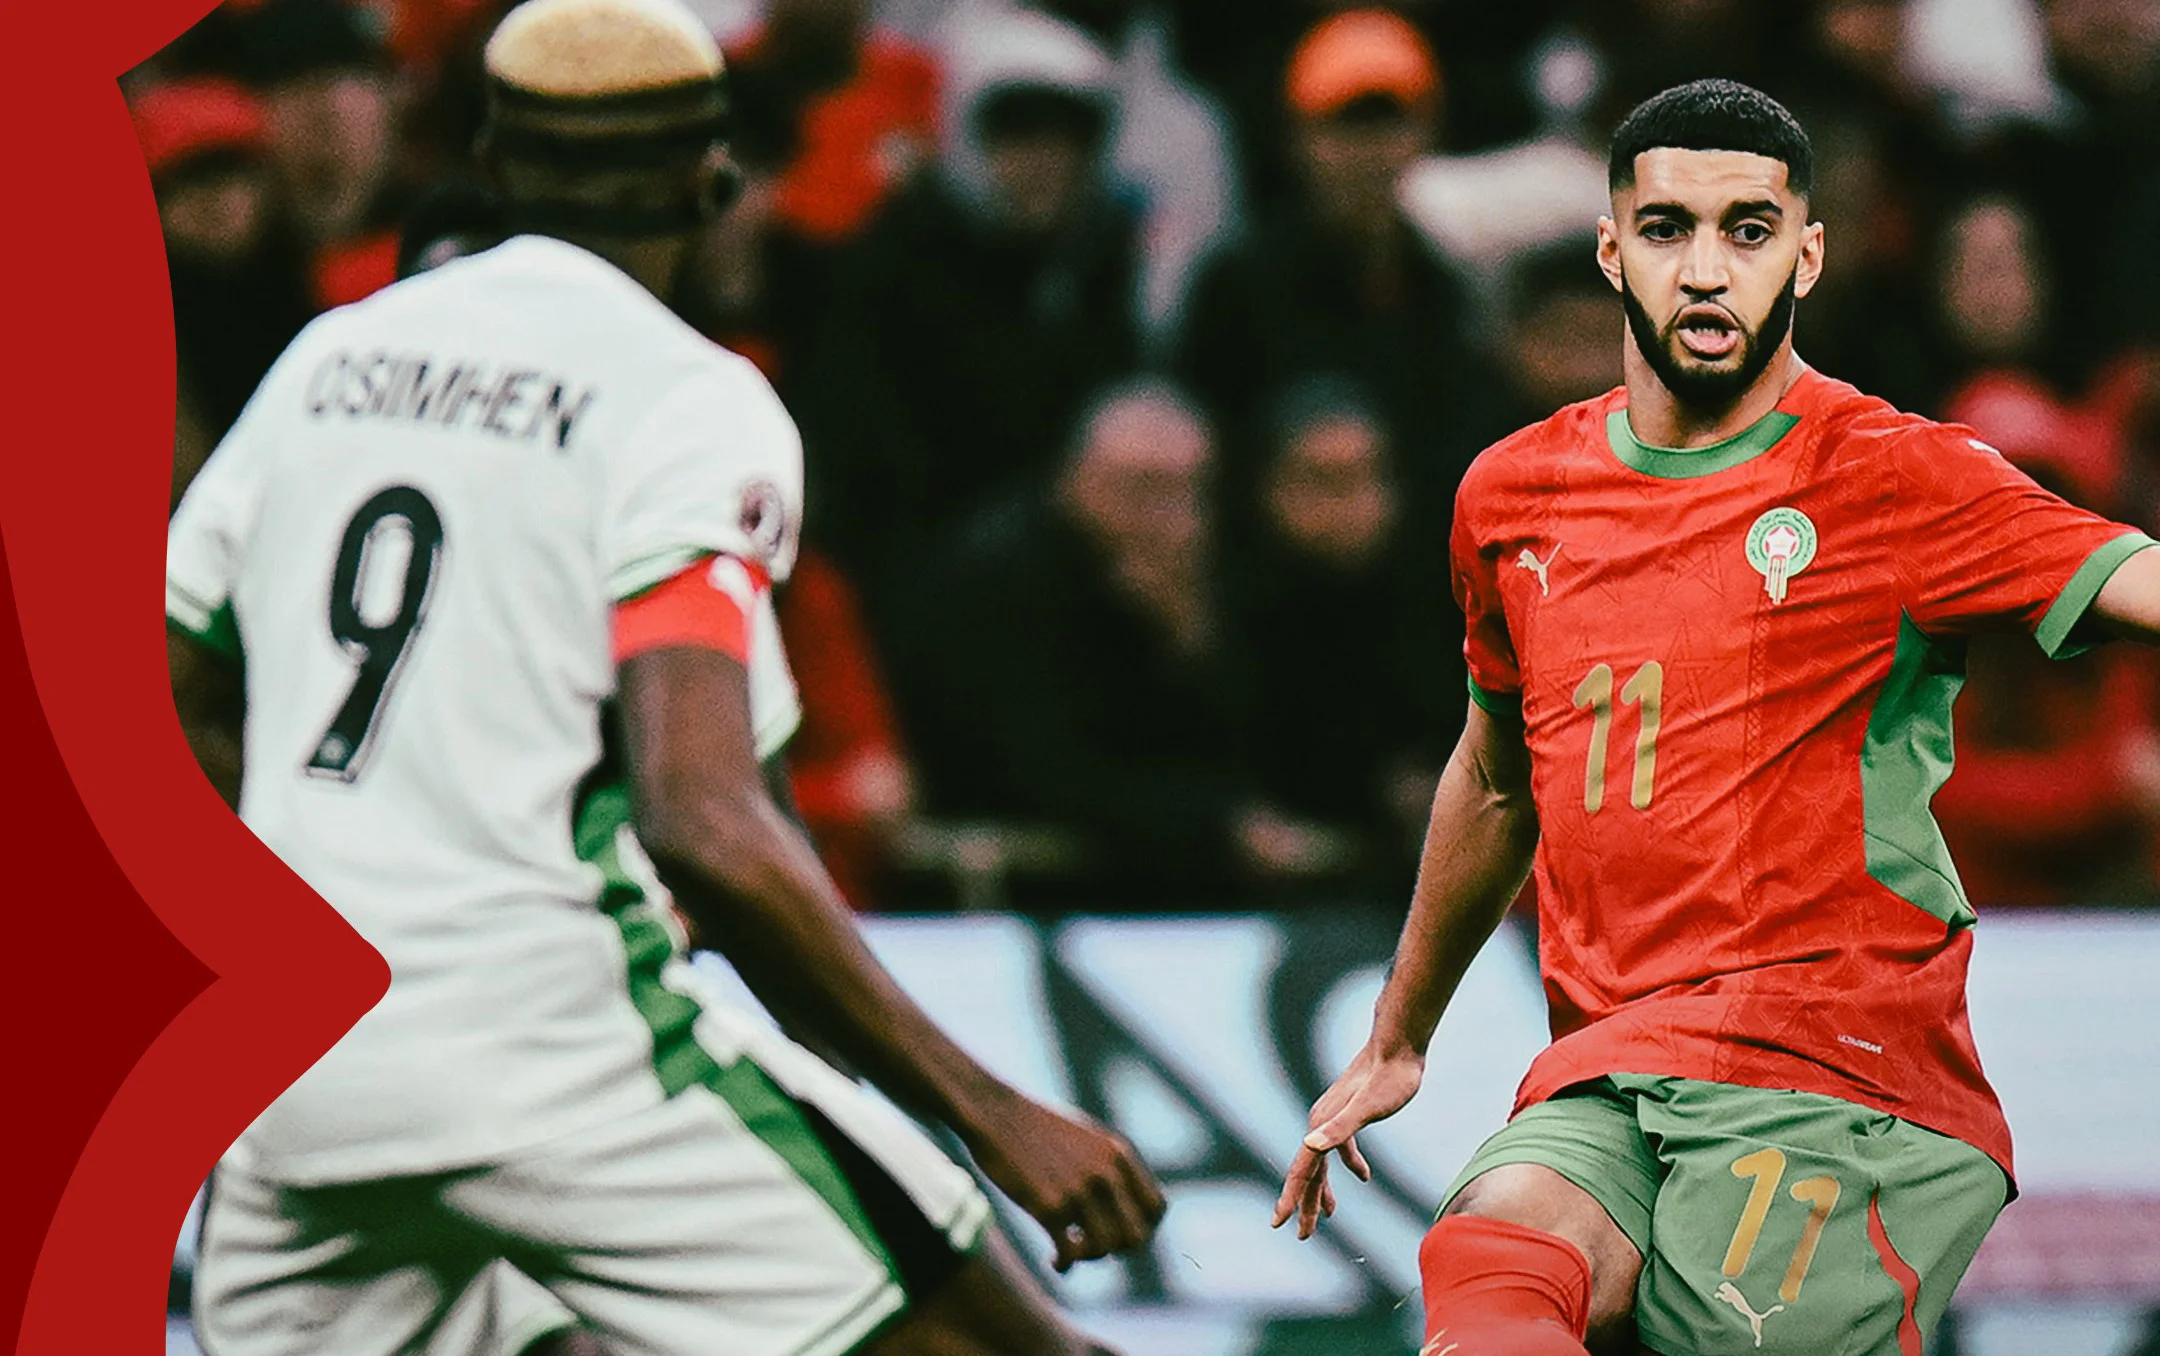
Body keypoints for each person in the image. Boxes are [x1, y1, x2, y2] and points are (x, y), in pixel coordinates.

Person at [165, 1, 1163, 1353]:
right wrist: (993, 1114)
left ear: (490, 164)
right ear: (713, 179)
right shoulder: (689, 400)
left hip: (298, 1066)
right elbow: (705, 818)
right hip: (548, 1037)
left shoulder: (327, 361)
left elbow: (164, 695)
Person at [1274, 78, 2160, 1356]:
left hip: (1842, 1074)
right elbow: (1498, 773)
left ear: (1808, 255)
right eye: (1666, 228)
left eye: (1748, 230)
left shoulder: (1895, 474)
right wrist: (1398, 1038)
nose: (1705, 268)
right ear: (1611, 251)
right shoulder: (1512, 496)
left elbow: (2137, 583)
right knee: (1492, 1248)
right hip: (1613, 1069)